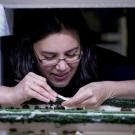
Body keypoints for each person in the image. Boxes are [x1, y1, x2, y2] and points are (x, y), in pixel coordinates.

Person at [1, 9, 135, 108]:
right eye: (49, 57)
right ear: (29, 50)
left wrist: (108, 90)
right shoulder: (8, 52)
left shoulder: (95, 58)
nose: (62, 67)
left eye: (71, 54)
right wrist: (11, 94)